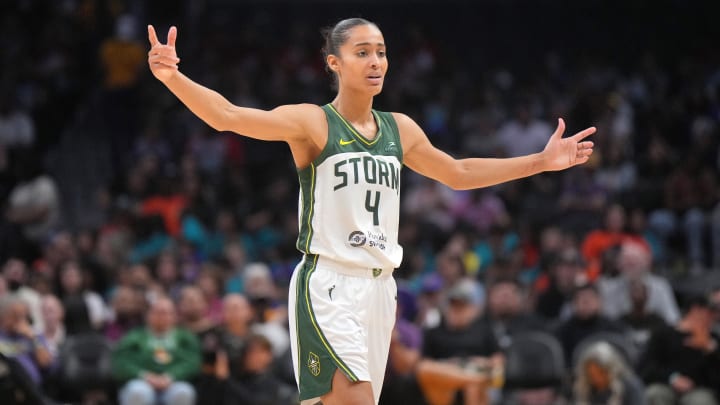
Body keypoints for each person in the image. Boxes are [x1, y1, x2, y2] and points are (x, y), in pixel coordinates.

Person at [147, 18, 596, 405]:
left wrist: (539, 162)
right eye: (362, 52)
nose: (376, 61)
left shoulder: (399, 128)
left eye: (381, 51)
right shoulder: (313, 122)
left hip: (381, 289)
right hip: (330, 283)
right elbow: (228, 115)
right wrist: (172, 77)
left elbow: (458, 172)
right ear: (334, 62)